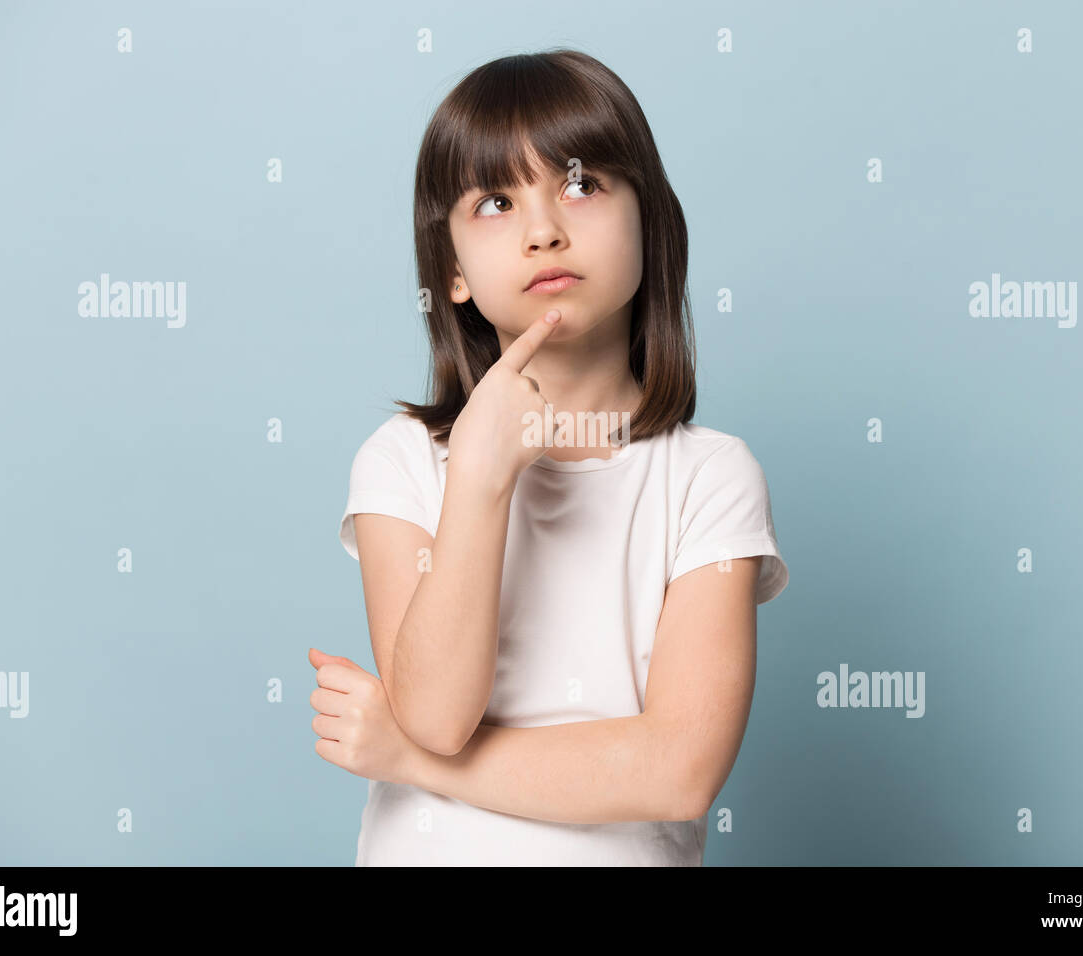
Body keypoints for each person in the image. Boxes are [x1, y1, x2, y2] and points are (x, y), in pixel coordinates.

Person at [314, 48, 789, 866]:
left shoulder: (709, 478)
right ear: (452, 272)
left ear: (651, 224)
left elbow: (677, 773)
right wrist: (480, 478)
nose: (544, 230)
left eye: (583, 184)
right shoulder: (401, 462)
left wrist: (403, 758)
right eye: (496, 200)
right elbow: (436, 713)